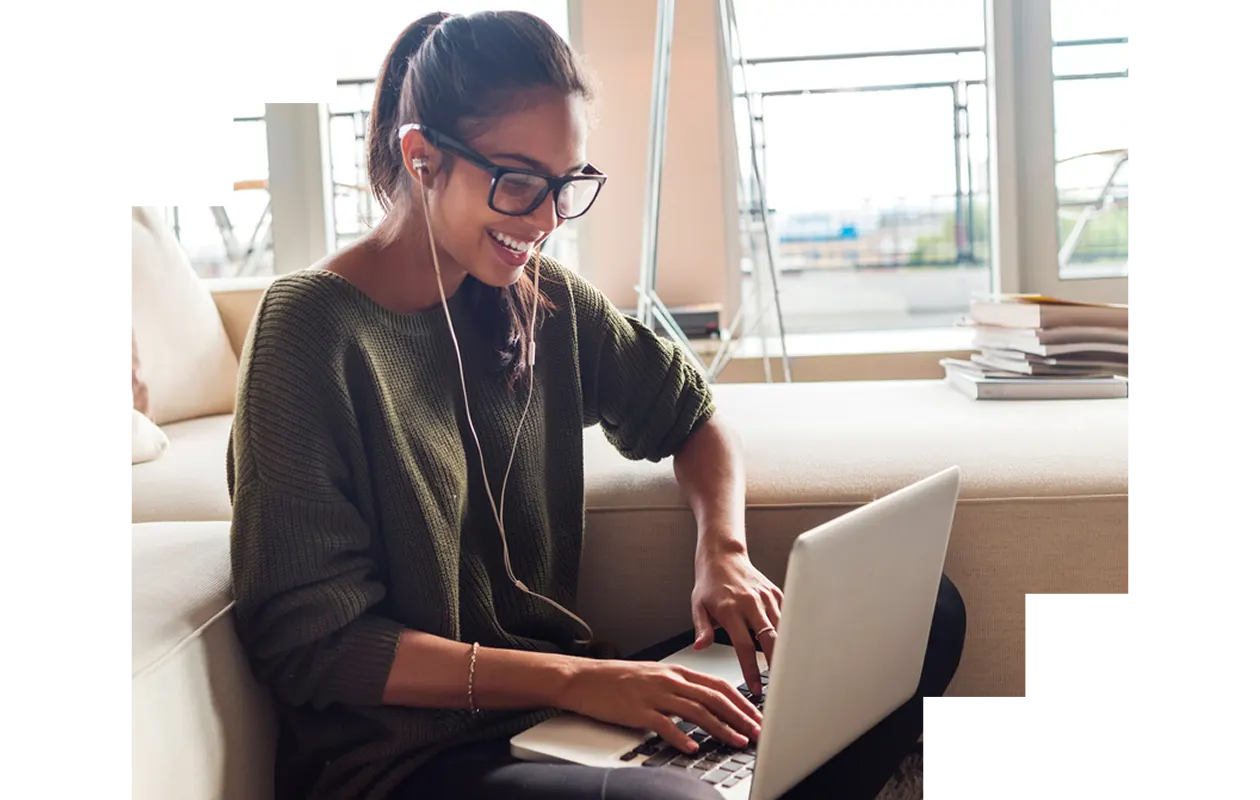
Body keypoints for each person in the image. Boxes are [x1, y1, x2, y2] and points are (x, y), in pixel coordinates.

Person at [227, 10, 966, 800]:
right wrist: (582, 679)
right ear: (422, 158)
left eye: (566, 184)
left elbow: (693, 413)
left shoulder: (539, 298)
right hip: (409, 762)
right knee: (679, 798)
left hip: (565, 710)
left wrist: (724, 551)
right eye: (517, 183)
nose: (545, 221)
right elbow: (314, 644)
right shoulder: (309, 330)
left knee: (919, 614)